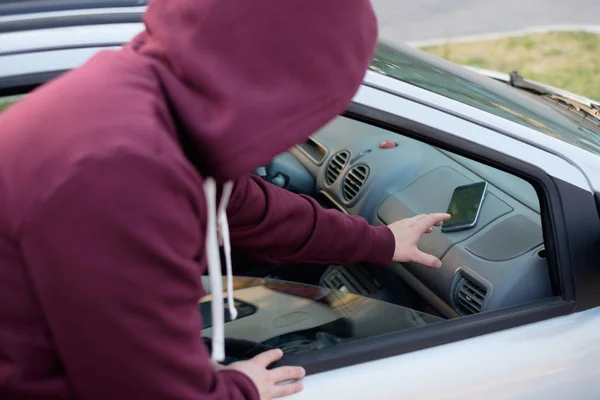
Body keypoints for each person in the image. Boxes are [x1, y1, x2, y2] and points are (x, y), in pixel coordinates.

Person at [0, 0, 450, 399]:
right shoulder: (122, 171)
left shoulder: (152, 95)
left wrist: (379, 241)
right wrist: (240, 388)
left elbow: (251, 211)